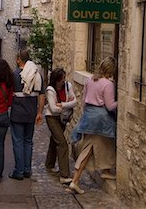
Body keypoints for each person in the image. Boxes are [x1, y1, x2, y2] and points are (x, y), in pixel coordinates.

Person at [67, 56, 118, 195]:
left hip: (88, 116)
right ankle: (75, 181)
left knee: (100, 145)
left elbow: (83, 101)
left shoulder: (90, 80)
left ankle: (105, 169)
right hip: (100, 120)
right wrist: (120, 103)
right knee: (89, 149)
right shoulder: (108, 84)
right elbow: (109, 105)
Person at [9, 49, 45, 180]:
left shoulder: (14, 74)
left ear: (19, 59)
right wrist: (40, 112)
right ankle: (27, 169)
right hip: (31, 112)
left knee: (18, 141)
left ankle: (18, 171)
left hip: (17, 112)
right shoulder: (37, 75)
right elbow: (41, 95)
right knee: (28, 141)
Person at [44, 68, 77, 184]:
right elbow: (52, 109)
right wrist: (67, 105)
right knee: (62, 143)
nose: (64, 80)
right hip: (52, 118)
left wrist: (62, 105)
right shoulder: (50, 90)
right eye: (62, 78)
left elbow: (75, 102)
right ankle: (64, 175)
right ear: (56, 79)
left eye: (64, 78)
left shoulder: (68, 86)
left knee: (55, 139)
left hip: (62, 118)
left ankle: (49, 164)